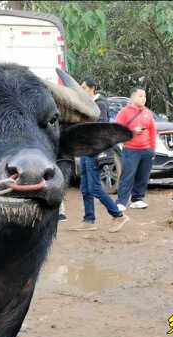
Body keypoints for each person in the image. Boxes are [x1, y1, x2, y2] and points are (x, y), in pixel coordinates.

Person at [69, 79, 128, 232]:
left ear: (92, 89)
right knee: (85, 187)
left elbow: (98, 128)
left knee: (95, 187)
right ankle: (89, 220)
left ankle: (118, 215)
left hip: (94, 151)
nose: (80, 90)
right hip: (85, 150)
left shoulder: (100, 104)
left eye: (83, 87)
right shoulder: (87, 104)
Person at [115, 88, 157, 211]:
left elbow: (153, 131)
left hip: (146, 150)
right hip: (130, 149)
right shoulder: (124, 112)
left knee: (143, 176)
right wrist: (132, 131)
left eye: (144, 96)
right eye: (140, 96)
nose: (143, 98)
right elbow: (118, 130)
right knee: (127, 175)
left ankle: (137, 199)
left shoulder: (148, 113)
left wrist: (152, 149)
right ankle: (121, 201)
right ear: (133, 98)